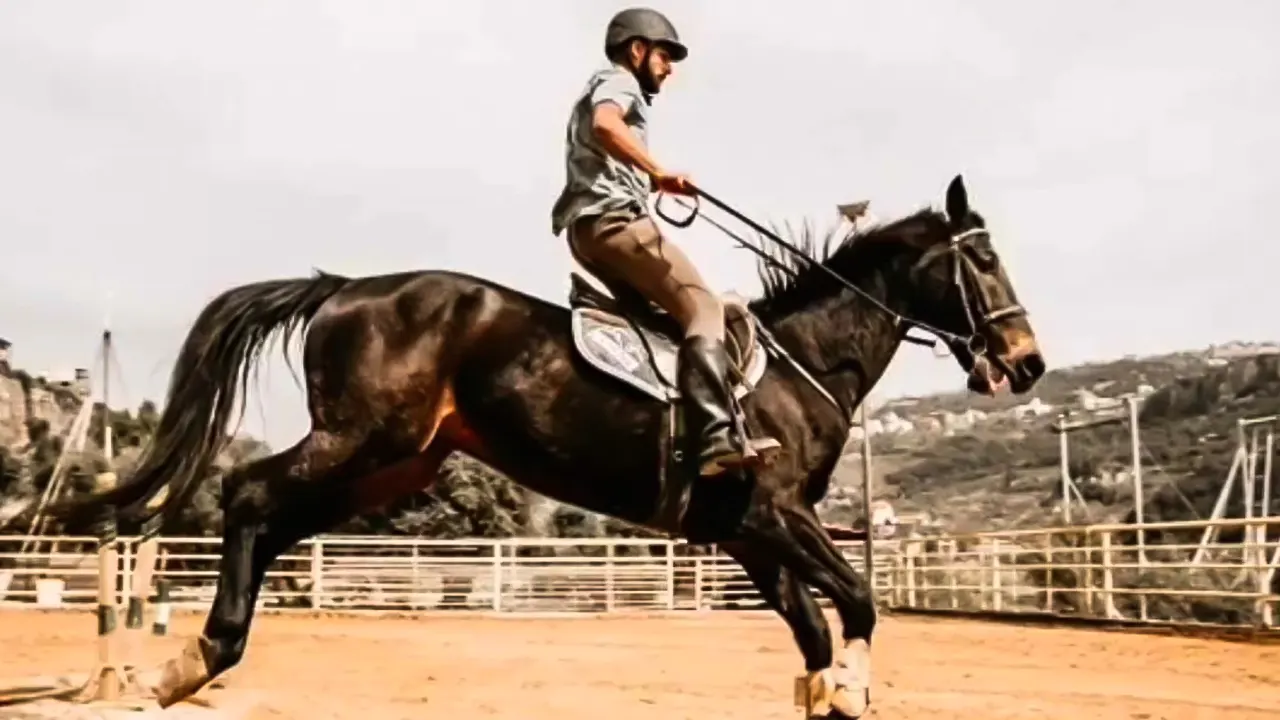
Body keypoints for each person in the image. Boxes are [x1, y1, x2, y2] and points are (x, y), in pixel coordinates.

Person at [551, 7, 773, 478]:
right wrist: (658, 171)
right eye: (664, 56)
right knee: (704, 310)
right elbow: (605, 126)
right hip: (616, 225)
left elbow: (605, 148)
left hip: (587, 231)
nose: (669, 68)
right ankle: (714, 435)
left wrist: (648, 180)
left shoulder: (609, 86)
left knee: (660, 326)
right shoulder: (620, 83)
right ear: (637, 50)